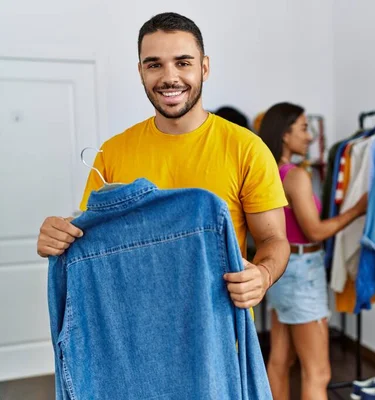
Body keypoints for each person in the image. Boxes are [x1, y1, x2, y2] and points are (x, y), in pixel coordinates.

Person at [36, 12, 290, 312]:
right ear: (141, 72)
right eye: (154, 64)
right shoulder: (113, 152)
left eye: (183, 62)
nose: (170, 77)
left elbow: (274, 239)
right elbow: (90, 237)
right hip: (132, 329)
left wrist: (263, 274)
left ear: (204, 68)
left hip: (215, 329)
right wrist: (59, 235)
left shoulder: (246, 148)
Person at [259, 102, 368, 400]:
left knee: (281, 361)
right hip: (301, 270)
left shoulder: (269, 172)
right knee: (318, 372)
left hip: (280, 269)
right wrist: (357, 210)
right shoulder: (295, 176)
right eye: (305, 128)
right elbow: (315, 231)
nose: (310, 137)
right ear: (285, 134)